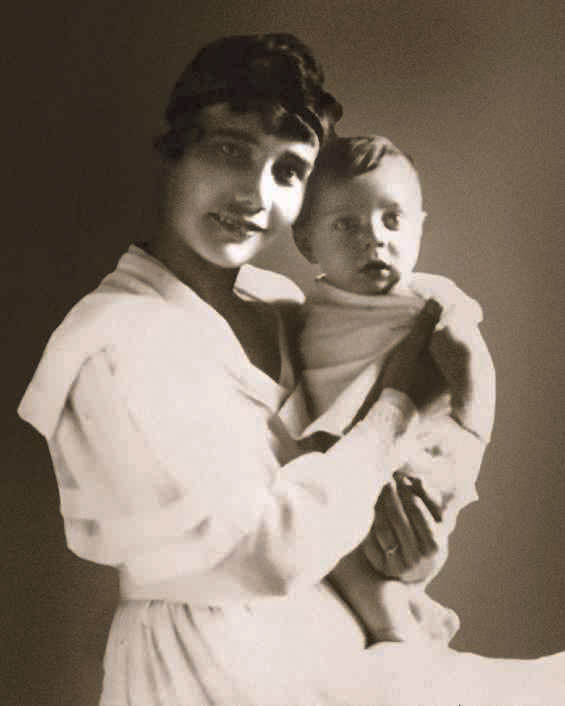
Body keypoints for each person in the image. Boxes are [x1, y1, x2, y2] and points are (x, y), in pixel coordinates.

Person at [18, 33, 565, 706]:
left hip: (342, 648)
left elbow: (336, 496)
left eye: (288, 171)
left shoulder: (285, 307)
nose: (256, 194)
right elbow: (265, 552)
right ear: (174, 151)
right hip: (209, 668)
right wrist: (397, 402)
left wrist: (411, 559)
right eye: (231, 151)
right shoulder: (114, 340)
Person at [288, 134, 496, 645]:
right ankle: (403, 619)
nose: (375, 239)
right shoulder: (299, 315)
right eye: (347, 225)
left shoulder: (430, 299)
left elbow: (470, 362)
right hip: (341, 465)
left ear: (420, 227)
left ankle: (396, 626)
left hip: (416, 460)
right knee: (341, 548)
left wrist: (471, 436)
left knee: (393, 538)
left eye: (393, 220)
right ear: (306, 240)